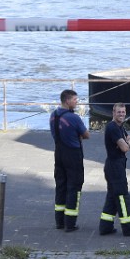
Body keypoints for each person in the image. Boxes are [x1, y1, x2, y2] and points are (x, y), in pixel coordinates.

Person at [98, 103, 130, 237]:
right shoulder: (112, 128)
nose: (122, 114)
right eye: (119, 112)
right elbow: (125, 148)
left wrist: (126, 143)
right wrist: (126, 144)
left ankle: (105, 227)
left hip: (116, 165)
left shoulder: (120, 127)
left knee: (113, 196)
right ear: (113, 112)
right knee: (123, 196)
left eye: (123, 112)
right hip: (114, 167)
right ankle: (129, 228)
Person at [50, 89, 89, 232]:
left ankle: (59, 221)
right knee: (74, 187)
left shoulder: (53, 116)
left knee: (61, 186)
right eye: (75, 100)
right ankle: (70, 223)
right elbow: (86, 134)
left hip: (58, 153)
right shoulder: (74, 118)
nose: (77, 102)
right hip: (73, 155)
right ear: (67, 100)